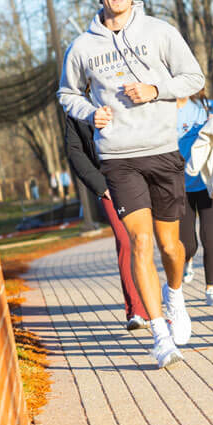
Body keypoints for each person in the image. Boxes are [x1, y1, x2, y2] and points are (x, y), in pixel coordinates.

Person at [58, 0, 206, 369]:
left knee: (171, 246)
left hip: (161, 149)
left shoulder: (160, 32)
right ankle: (160, 337)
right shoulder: (83, 46)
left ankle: (175, 297)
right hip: (119, 156)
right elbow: (67, 93)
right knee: (140, 242)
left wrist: (156, 90)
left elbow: (193, 78)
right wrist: (90, 112)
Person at [62, 111, 148, 330]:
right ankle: (137, 310)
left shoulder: (119, 89)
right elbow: (75, 152)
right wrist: (101, 186)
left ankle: (160, 303)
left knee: (151, 241)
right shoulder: (75, 109)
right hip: (109, 184)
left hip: (139, 174)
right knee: (127, 241)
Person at [176, 92, 213, 306]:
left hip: (209, 183)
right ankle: (187, 259)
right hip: (180, 187)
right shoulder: (162, 111)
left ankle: (211, 289)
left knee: (209, 236)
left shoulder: (207, 106)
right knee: (187, 244)